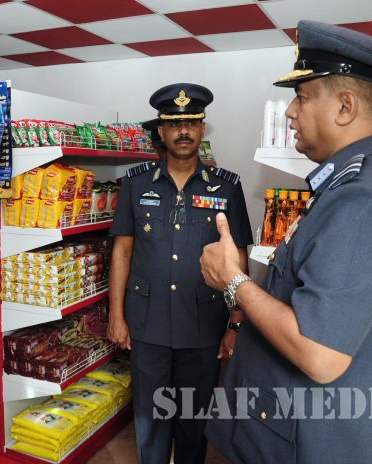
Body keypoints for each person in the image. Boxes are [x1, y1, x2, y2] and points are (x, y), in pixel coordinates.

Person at [201, 20, 372, 464]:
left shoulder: (365, 199)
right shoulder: (370, 181)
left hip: (329, 443)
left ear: (345, 107)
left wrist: (232, 280)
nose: (291, 112)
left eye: (302, 97)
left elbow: (319, 354)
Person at [108, 83, 253, 464]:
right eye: (174, 124)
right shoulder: (136, 184)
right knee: (150, 421)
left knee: (193, 421)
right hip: (147, 324)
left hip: (202, 324)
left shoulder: (227, 188)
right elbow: (122, 251)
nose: (183, 131)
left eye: (191, 123)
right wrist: (116, 314)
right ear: (161, 131)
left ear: (203, 128)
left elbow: (238, 258)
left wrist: (235, 322)